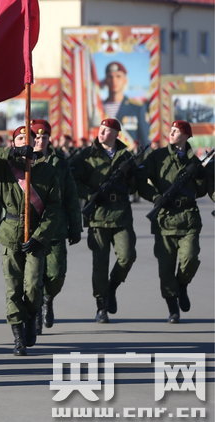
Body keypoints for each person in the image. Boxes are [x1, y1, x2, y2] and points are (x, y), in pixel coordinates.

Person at [0, 126, 61, 356]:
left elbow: (54, 209)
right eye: (20, 138)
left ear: (35, 143)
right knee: (13, 288)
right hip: (11, 232)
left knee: (33, 285)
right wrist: (11, 153)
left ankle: (32, 314)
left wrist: (40, 236)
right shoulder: (4, 170)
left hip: (36, 234)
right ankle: (18, 337)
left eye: (29, 138)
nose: (26, 140)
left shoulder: (47, 171)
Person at [69, 118, 141, 323]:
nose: (102, 133)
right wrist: (90, 195)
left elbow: (134, 186)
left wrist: (131, 174)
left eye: (107, 130)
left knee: (127, 256)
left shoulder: (125, 156)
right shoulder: (86, 155)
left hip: (121, 214)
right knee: (100, 265)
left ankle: (112, 286)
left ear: (116, 134)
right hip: (98, 216)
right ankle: (101, 305)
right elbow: (72, 180)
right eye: (100, 130)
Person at [137, 121, 209, 322]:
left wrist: (201, 175)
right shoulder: (157, 157)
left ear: (186, 136)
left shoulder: (193, 160)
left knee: (191, 258)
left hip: (188, 217)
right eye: (171, 129)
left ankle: (183, 284)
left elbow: (201, 190)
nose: (171, 132)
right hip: (164, 219)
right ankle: (172, 308)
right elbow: (140, 180)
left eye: (176, 131)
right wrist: (154, 197)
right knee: (166, 268)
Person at [30, 119, 82, 333]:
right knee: (32, 279)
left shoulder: (59, 163)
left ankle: (48, 299)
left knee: (56, 275)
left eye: (44, 137)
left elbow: (71, 196)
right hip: (29, 230)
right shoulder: (19, 162)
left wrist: (76, 226)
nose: (40, 140)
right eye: (37, 136)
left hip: (55, 228)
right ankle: (35, 313)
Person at [100, 61, 148, 146]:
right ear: (105, 81)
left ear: (125, 80)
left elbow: (145, 142)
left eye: (118, 76)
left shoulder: (137, 108)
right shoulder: (99, 108)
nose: (114, 80)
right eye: (110, 77)